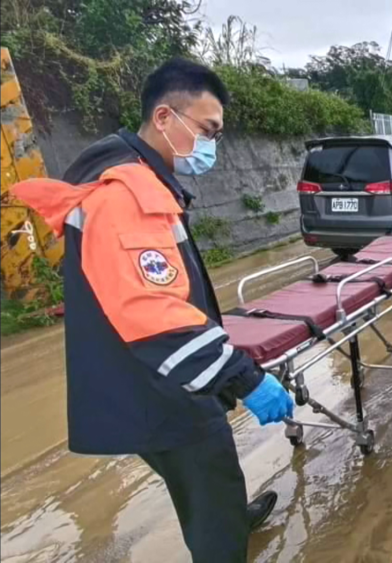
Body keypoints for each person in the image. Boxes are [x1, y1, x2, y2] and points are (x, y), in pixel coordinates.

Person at [12, 58, 294, 562]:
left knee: (202, 478)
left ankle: (223, 508)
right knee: (209, 468)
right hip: (161, 383)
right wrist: (247, 378)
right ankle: (222, 532)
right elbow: (154, 313)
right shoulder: (128, 196)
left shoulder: (122, 176)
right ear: (165, 118)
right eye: (208, 130)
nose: (212, 144)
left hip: (142, 374)